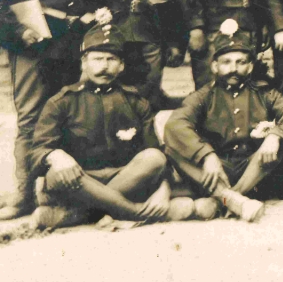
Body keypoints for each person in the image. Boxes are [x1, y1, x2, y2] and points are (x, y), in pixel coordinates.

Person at [28, 24, 190, 229]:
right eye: (97, 59)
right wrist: (55, 156)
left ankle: (78, 214)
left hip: (124, 176)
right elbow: (37, 151)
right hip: (80, 178)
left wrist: (163, 190)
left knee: (154, 158)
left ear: (121, 65)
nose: (104, 66)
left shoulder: (135, 101)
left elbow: (156, 152)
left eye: (111, 59)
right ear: (84, 63)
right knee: (56, 174)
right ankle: (136, 212)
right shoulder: (62, 101)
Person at [0, 0, 92, 220]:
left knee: (69, 116)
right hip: (32, 46)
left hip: (68, 45)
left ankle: (63, 194)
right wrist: (20, 33)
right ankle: (23, 196)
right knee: (31, 120)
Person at [163, 21, 283, 222]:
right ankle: (234, 200)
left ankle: (225, 199)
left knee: (282, 142)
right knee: (172, 149)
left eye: (241, 62)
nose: (234, 69)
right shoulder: (204, 96)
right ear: (215, 66)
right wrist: (206, 155)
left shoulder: (264, 93)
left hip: (254, 169)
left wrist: (276, 135)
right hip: (216, 169)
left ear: (250, 66)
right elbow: (176, 124)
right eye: (226, 62)